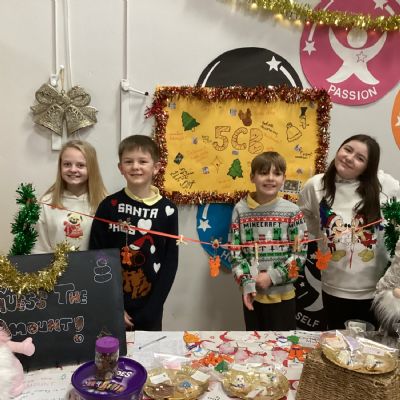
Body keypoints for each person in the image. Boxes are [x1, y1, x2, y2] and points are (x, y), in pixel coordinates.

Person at [298, 134, 400, 330]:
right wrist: (320, 238)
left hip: (373, 292)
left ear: (368, 167)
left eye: (360, 158)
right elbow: (305, 220)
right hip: (332, 286)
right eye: (348, 149)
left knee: (370, 345)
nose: (349, 158)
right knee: (338, 342)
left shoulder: (386, 186)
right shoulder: (315, 185)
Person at [89, 134, 179, 331]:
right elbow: (97, 256)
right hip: (111, 306)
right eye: (128, 161)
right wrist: (113, 304)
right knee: (110, 350)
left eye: (142, 161)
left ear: (156, 167)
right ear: (120, 167)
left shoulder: (168, 210)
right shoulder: (109, 206)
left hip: (150, 309)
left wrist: (153, 308)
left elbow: (170, 262)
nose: (135, 167)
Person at [229, 151, 308, 331]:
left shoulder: (293, 211)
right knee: (255, 342)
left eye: (277, 173)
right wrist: (247, 283)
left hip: (284, 297)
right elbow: (235, 252)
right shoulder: (240, 210)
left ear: (283, 178)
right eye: (264, 173)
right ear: (252, 177)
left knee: (282, 343)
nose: (270, 178)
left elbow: (300, 254)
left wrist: (272, 277)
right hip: (252, 295)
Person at [32, 140, 107, 254]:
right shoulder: (46, 202)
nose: (73, 169)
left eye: (80, 165)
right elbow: (38, 248)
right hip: (54, 265)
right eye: (67, 164)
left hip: (92, 264)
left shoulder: (105, 202)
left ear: (91, 168)